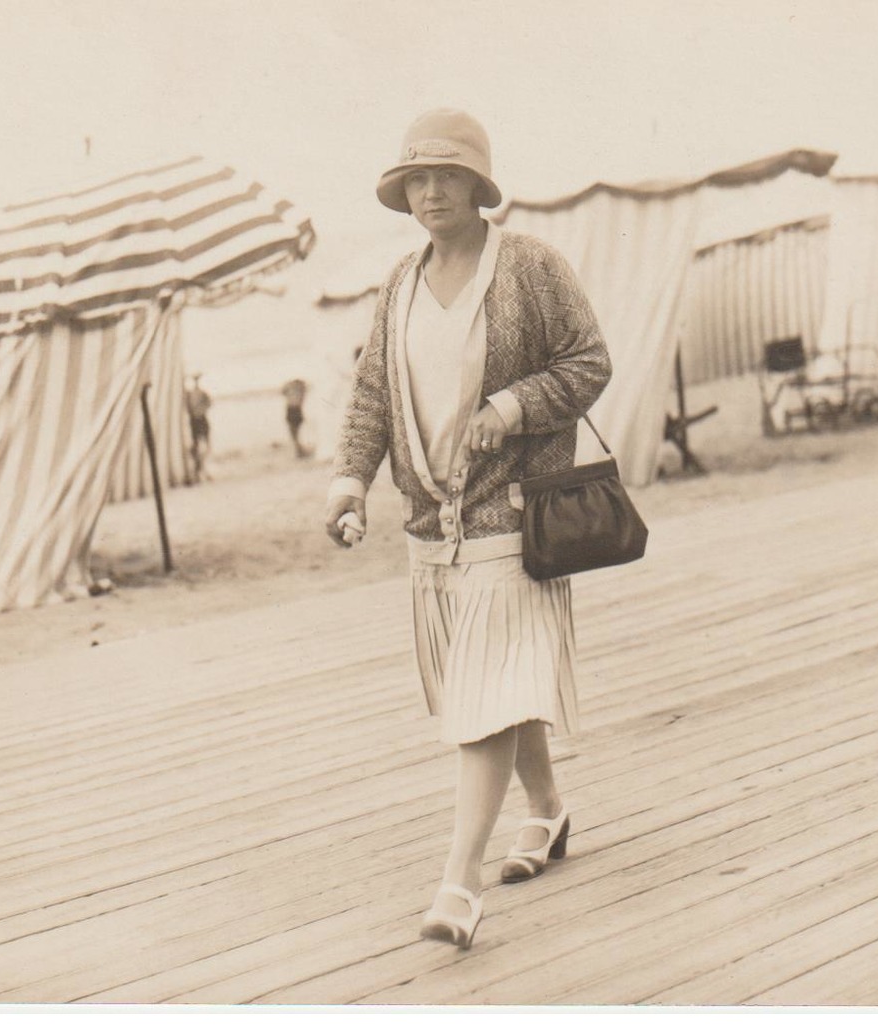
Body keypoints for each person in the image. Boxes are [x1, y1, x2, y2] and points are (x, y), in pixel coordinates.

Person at [325, 109, 611, 949]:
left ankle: (457, 882)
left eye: (447, 175)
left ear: (480, 185)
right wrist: (350, 483)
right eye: (416, 177)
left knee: (484, 700)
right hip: (429, 527)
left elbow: (587, 361)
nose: (431, 191)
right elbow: (373, 393)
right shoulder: (397, 284)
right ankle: (549, 812)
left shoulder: (529, 267)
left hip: (513, 518)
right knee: (496, 686)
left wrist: (512, 404)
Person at [185, 373, 213, 482]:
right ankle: (200, 471)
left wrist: (197, 411)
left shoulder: (195, 394)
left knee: (201, 445)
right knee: (199, 446)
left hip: (198, 419)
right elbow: (208, 403)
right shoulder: (193, 394)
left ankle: (200, 471)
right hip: (197, 420)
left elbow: (208, 403)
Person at [281, 378, 310, 458]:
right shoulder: (301, 390)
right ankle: (300, 451)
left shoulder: (294, 391)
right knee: (296, 435)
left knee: (294, 435)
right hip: (296, 412)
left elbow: (283, 392)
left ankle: (299, 452)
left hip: (293, 411)